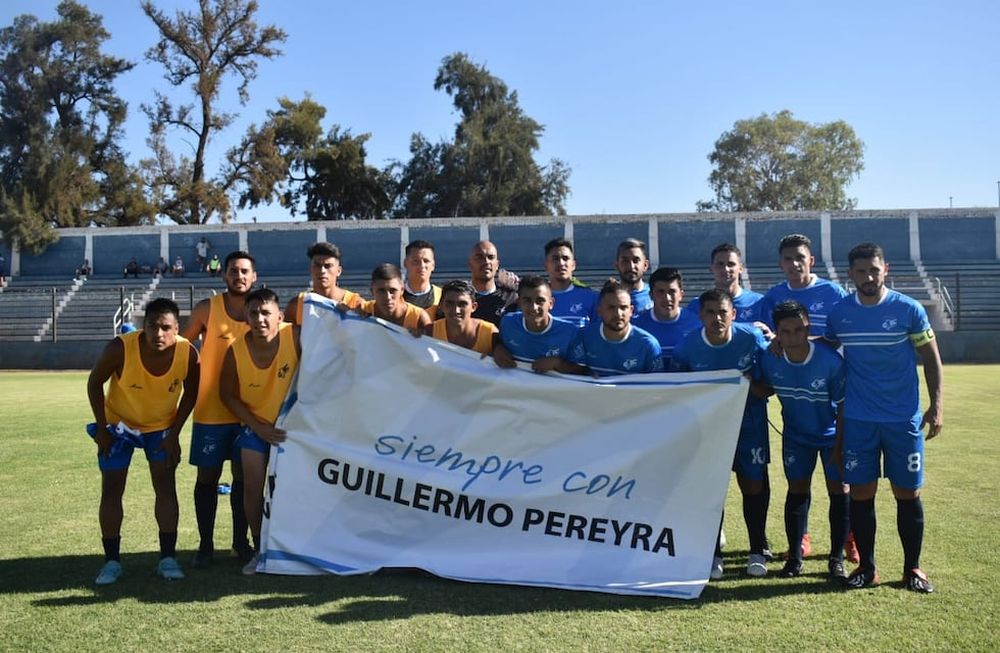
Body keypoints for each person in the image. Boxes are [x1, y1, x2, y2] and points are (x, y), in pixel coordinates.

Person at [825, 242, 943, 593]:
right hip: (859, 419)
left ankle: (913, 569)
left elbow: (931, 358)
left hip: (901, 419)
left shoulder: (908, 310)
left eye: (874, 270)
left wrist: (936, 405)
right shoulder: (840, 312)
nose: (868, 277)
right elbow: (826, 345)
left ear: (885, 269)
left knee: (908, 493)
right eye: (861, 271)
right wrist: (783, 341)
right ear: (851, 274)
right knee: (862, 493)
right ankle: (868, 567)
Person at [86, 298, 200, 585]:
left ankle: (167, 558)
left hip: (160, 427)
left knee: (165, 486)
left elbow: (191, 393)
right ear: (143, 327)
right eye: (152, 326)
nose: (158, 334)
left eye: (165, 327)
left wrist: (174, 434)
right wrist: (101, 428)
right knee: (112, 488)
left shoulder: (188, 353)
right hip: (118, 425)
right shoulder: (120, 348)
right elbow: (94, 382)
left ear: (177, 329)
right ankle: (112, 561)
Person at [762, 233, 853, 562]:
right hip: (798, 407)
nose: (794, 263)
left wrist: (801, 342)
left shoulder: (832, 292)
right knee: (798, 485)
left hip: (830, 384)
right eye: (788, 258)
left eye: (800, 257)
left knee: (841, 485)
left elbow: (845, 331)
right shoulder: (774, 296)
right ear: (780, 263)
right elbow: (756, 327)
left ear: (811, 260)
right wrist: (772, 340)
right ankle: (800, 543)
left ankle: (848, 539)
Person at [672, 288, 771, 579]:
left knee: (753, 485)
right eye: (710, 312)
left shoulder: (751, 339)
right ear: (700, 315)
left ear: (734, 314)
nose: (717, 318)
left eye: (723, 312)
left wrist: (749, 384)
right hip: (708, 429)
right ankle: (713, 553)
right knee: (712, 488)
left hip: (749, 425)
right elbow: (678, 390)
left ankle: (756, 550)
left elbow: (770, 384)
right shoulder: (688, 346)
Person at [756, 301, 850, 581]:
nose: (794, 337)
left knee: (839, 491)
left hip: (832, 435)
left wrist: (840, 444)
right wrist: (743, 382)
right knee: (797, 490)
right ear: (777, 334)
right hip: (796, 436)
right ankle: (795, 557)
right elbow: (765, 389)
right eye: (786, 331)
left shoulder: (831, 361)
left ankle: (836, 559)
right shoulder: (769, 357)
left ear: (808, 328)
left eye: (800, 329)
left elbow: (844, 406)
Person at [181, 251, 257, 568]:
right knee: (208, 478)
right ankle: (205, 545)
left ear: (254, 276)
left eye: (244, 271)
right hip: (211, 411)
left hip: (249, 413)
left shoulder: (262, 311)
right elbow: (182, 349)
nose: (238, 276)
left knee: (244, 480)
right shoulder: (206, 309)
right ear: (223, 275)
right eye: (233, 271)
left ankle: (241, 543)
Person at [219, 289, 301, 575]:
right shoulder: (235, 350)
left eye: (266, 313)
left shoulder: (297, 336)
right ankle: (259, 548)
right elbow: (227, 394)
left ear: (280, 316)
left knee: (294, 490)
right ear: (245, 317)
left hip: (293, 430)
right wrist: (258, 427)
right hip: (256, 428)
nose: (259, 319)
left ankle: (296, 547)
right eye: (253, 313)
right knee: (252, 487)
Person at [566, 278, 661, 377]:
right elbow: (574, 377)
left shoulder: (648, 345)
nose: (618, 314)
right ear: (599, 311)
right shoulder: (582, 338)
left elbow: (657, 385)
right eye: (611, 308)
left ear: (631, 311)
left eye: (623, 308)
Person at [493, 275, 583, 373]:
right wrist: (497, 348)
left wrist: (558, 363)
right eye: (527, 301)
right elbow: (497, 343)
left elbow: (584, 371)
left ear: (551, 303)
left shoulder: (570, 331)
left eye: (540, 301)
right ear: (518, 302)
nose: (534, 307)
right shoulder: (508, 322)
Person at [687, 243, 771, 334]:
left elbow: (772, 337)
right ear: (711, 268)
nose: (726, 269)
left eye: (731, 264)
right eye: (720, 264)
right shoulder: (697, 305)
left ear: (740, 268)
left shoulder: (759, 302)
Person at [633, 267, 701, 370]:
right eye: (660, 292)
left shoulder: (697, 324)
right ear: (651, 295)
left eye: (672, 292)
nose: (667, 298)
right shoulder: (636, 326)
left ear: (681, 295)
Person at [284, 242, 363, 325]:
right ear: (310, 269)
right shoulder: (297, 305)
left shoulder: (355, 303)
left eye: (328, 266)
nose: (322, 271)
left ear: (339, 271)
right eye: (317, 265)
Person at [427, 279, 498, 355]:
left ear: (473, 307)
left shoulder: (489, 333)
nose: (456, 310)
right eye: (450, 304)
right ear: (441, 306)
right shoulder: (430, 332)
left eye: (462, 304)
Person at [543, 238, 598, 328]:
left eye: (565, 258)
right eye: (555, 259)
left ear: (573, 265)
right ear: (546, 265)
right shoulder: (536, 299)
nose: (561, 263)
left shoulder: (591, 297)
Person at [361, 264, 432, 330]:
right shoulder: (360, 312)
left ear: (402, 290)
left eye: (393, 290)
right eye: (381, 291)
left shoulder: (418, 318)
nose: (388, 297)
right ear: (372, 291)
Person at [468, 241, 519, 327]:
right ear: (470, 264)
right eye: (479, 257)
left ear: (497, 264)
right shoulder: (461, 297)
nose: (486, 262)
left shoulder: (511, 297)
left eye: (491, 257)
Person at [613, 238, 653, 315]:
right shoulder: (606, 298)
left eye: (636, 260)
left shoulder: (656, 295)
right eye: (625, 261)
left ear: (645, 265)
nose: (631, 266)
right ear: (617, 265)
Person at [402, 240, 442, 311]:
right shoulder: (396, 297)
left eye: (426, 261)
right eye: (415, 261)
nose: (422, 266)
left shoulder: (442, 297)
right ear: (405, 263)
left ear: (433, 265)